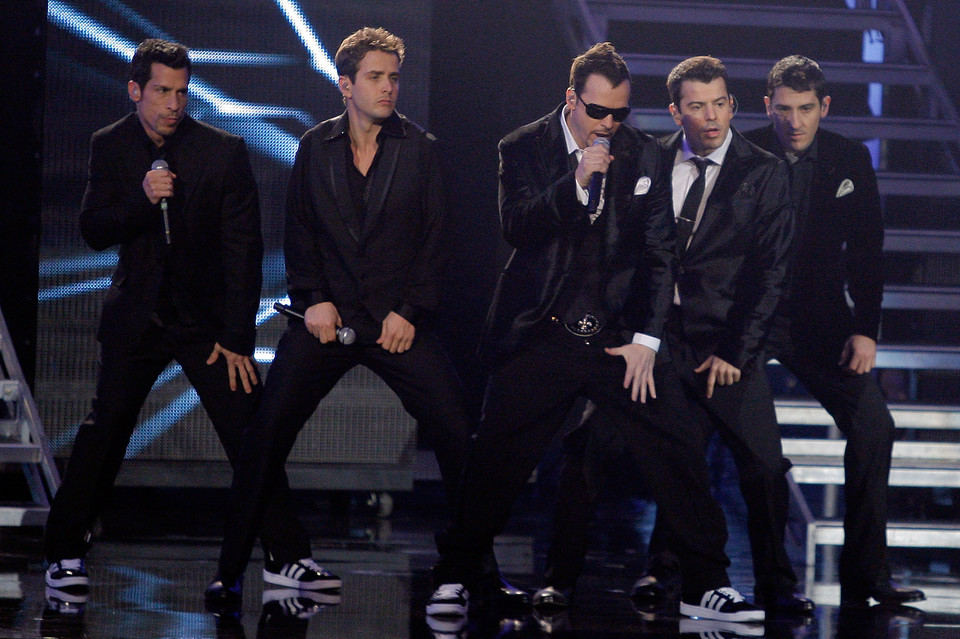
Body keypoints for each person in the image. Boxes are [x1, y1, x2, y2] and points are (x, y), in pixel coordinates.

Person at [429, 43, 764, 624]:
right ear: (570, 99)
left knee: (677, 446)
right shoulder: (524, 146)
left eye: (620, 113)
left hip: (618, 339)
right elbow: (518, 227)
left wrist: (648, 339)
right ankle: (457, 575)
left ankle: (706, 583)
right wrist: (576, 179)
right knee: (496, 458)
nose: (608, 124)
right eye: (597, 112)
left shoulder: (643, 155)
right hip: (543, 330)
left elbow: (661, 252)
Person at [206, 27, 479, 604]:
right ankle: (232, 568)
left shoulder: (420, 148)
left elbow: (437, 239)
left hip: (395, 325)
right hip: (327, 320)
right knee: (265, 432)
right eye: (375, 78)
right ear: (345, 85)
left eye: (394, 77)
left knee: (457, 429)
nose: (388, 88)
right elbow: (299, 229)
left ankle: (466, 569)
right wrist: (312, 297)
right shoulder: (314, 146)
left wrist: (409, 310)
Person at [43, 39, 312, 593]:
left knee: (250, 433)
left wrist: (238, 335)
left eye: (182, 91)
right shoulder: (110, 145)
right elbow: (94, 230)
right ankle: (65, 552)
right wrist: (143, 199)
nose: (174, 103)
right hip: (138, 319)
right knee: (105, 432)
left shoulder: (222, 150)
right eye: (162, 91)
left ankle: (287, 557)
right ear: (135, 90)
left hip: (207, 327)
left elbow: (244, 248)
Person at [744, 54, 925, 608]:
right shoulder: (743, 153)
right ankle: (770, 585)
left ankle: (867, 575)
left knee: (874, 427)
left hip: (822, 323)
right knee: (742, 446)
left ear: (824, 106)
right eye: (783, 110)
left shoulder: (849, 157)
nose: (794, 122)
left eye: (805, 109)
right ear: (767, 107)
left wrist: (866, 330)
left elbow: (868, 252)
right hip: (748, 320)